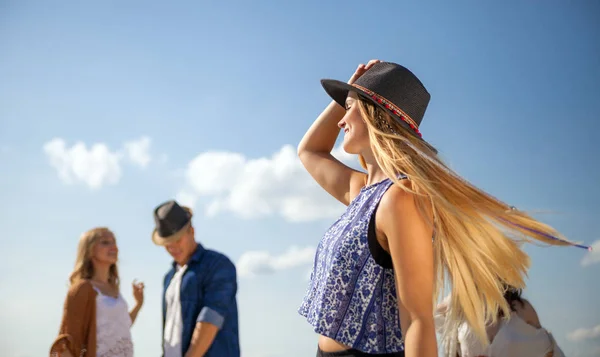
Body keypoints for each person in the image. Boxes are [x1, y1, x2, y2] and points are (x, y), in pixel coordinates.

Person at [296, 60, 589, 357]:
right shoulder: (361, 192)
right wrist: (352, 88)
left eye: (347, 108)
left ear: (375, 113)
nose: (340, 121)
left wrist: (356, 92)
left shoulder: (400, 199)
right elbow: (309, 151)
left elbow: (417, 321)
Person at [152, 200, 239, 357]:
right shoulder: (169, 278)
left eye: (177, 240)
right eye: (167, 243)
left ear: (191, 231)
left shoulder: (217, 265)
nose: (172, 248)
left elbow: (211, 318)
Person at [50, 227, 145, 357]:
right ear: (89, 250)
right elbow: (68, 340)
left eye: (114, 242)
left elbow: (121, 326)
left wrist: (138, 304)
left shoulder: (113, 289)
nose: (114, 247)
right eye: (105, 242)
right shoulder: (83, 289)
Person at [435, 286, 565, 357]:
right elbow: (429, 317)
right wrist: (460, 294)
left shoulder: (521, 308)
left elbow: (548, 351)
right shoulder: (462, 309)